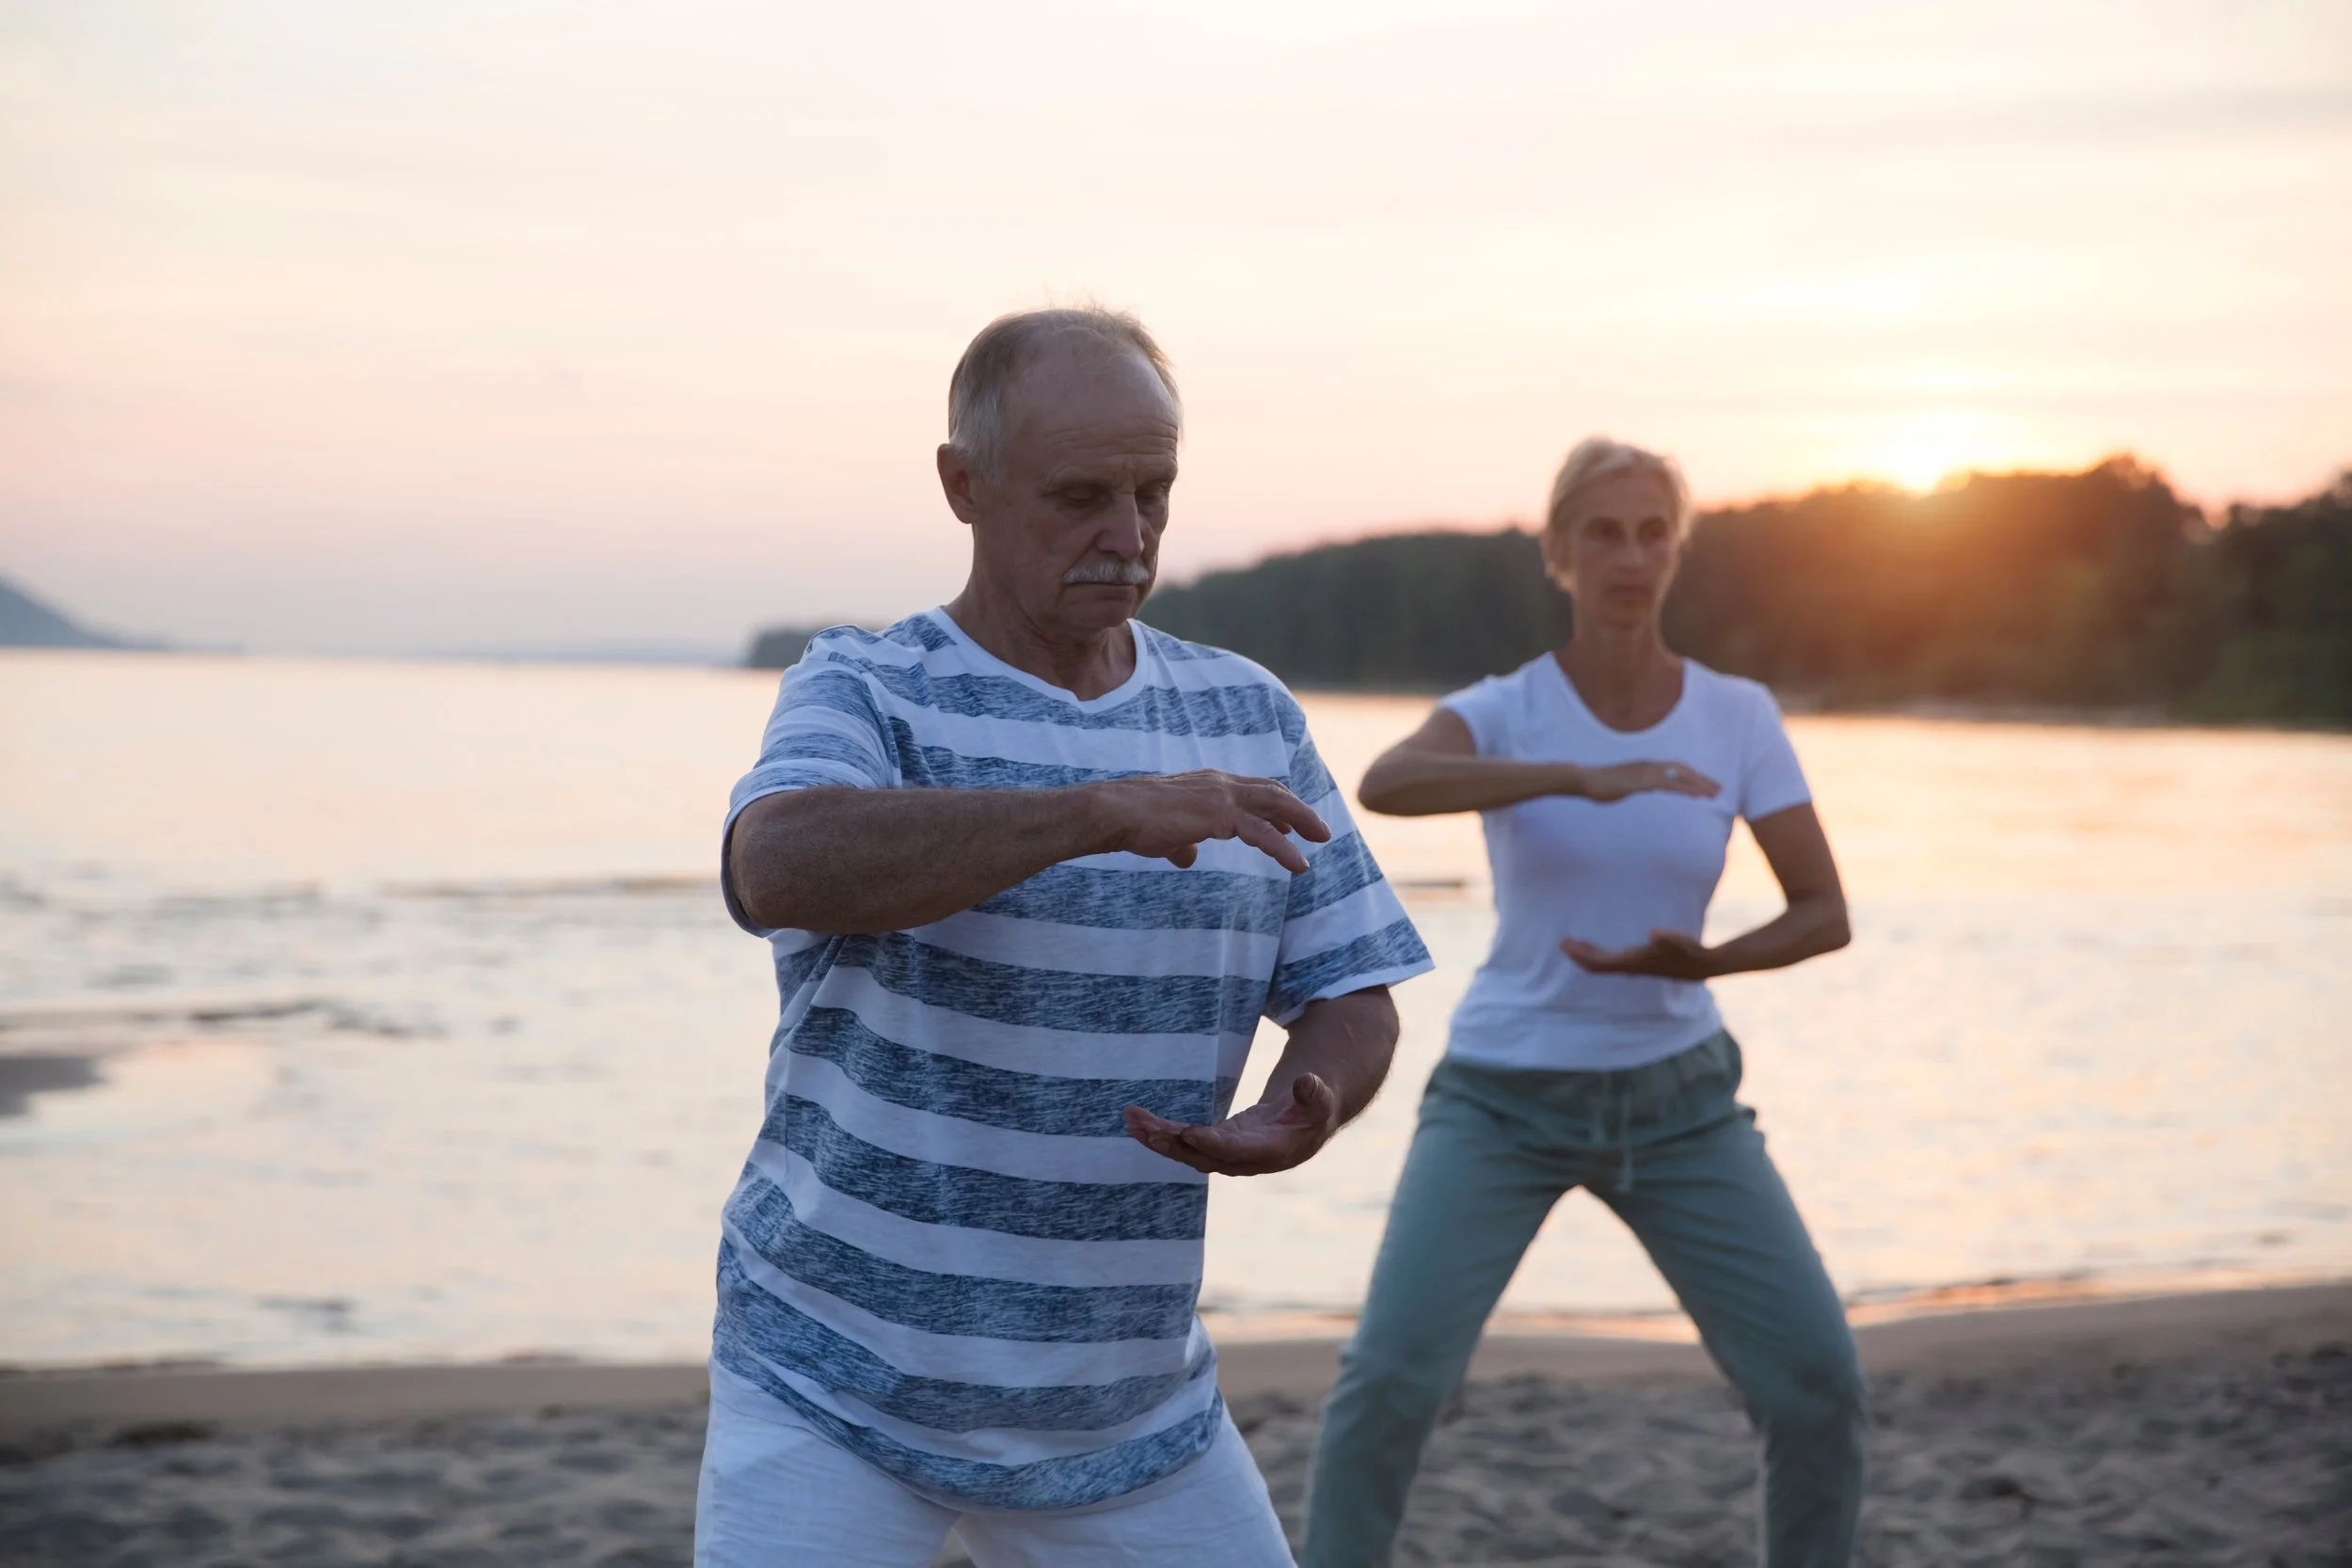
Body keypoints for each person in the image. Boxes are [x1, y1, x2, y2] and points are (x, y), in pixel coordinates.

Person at [695, 307, 1435, 1567]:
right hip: (835, 1383)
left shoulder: (1247, 715)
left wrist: (1304, 1100)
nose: (1129, 535)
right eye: (1082, 496)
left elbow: (1352, 984)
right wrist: (1096, 810)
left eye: (1155, 492)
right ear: (963, 485)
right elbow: (775, 863)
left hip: (1129, 1413)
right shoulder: (868, 686)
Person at [1301, 437, 1867, 1568]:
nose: (1630, 556)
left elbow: (1822, 911)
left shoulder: (1736, 715)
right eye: (1602, 533)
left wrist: (1704, 963)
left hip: (1682, 1105)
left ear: (1676, 551)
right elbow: (1387, 780)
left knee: (1818, 1391)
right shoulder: (1505, 708)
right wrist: (1573, 773)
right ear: (1558, 553)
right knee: (1390, 1381)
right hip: (1501, 1101)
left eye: (1653, 532)